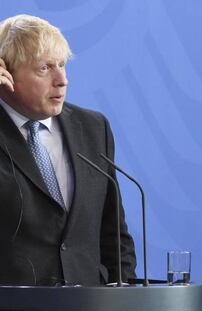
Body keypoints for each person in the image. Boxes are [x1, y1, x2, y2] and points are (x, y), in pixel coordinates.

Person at [0, 14, 136, 286]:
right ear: (8, 73)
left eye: (62, 65)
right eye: (44, 68)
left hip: (86, 300)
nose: (62, 80)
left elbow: (114, 234)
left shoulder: (94, 127)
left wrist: (125, 297)